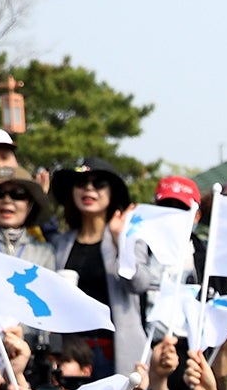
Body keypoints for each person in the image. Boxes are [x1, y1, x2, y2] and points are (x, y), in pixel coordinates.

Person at [49, 158, 153, 376]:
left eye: (98, 183)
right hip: (70, 353)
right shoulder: (60, 244)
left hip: (113, 349)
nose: (89, 188)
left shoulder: (129, 238)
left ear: (112, 193)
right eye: (81, 183)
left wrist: (120, 242)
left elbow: (141, 284)